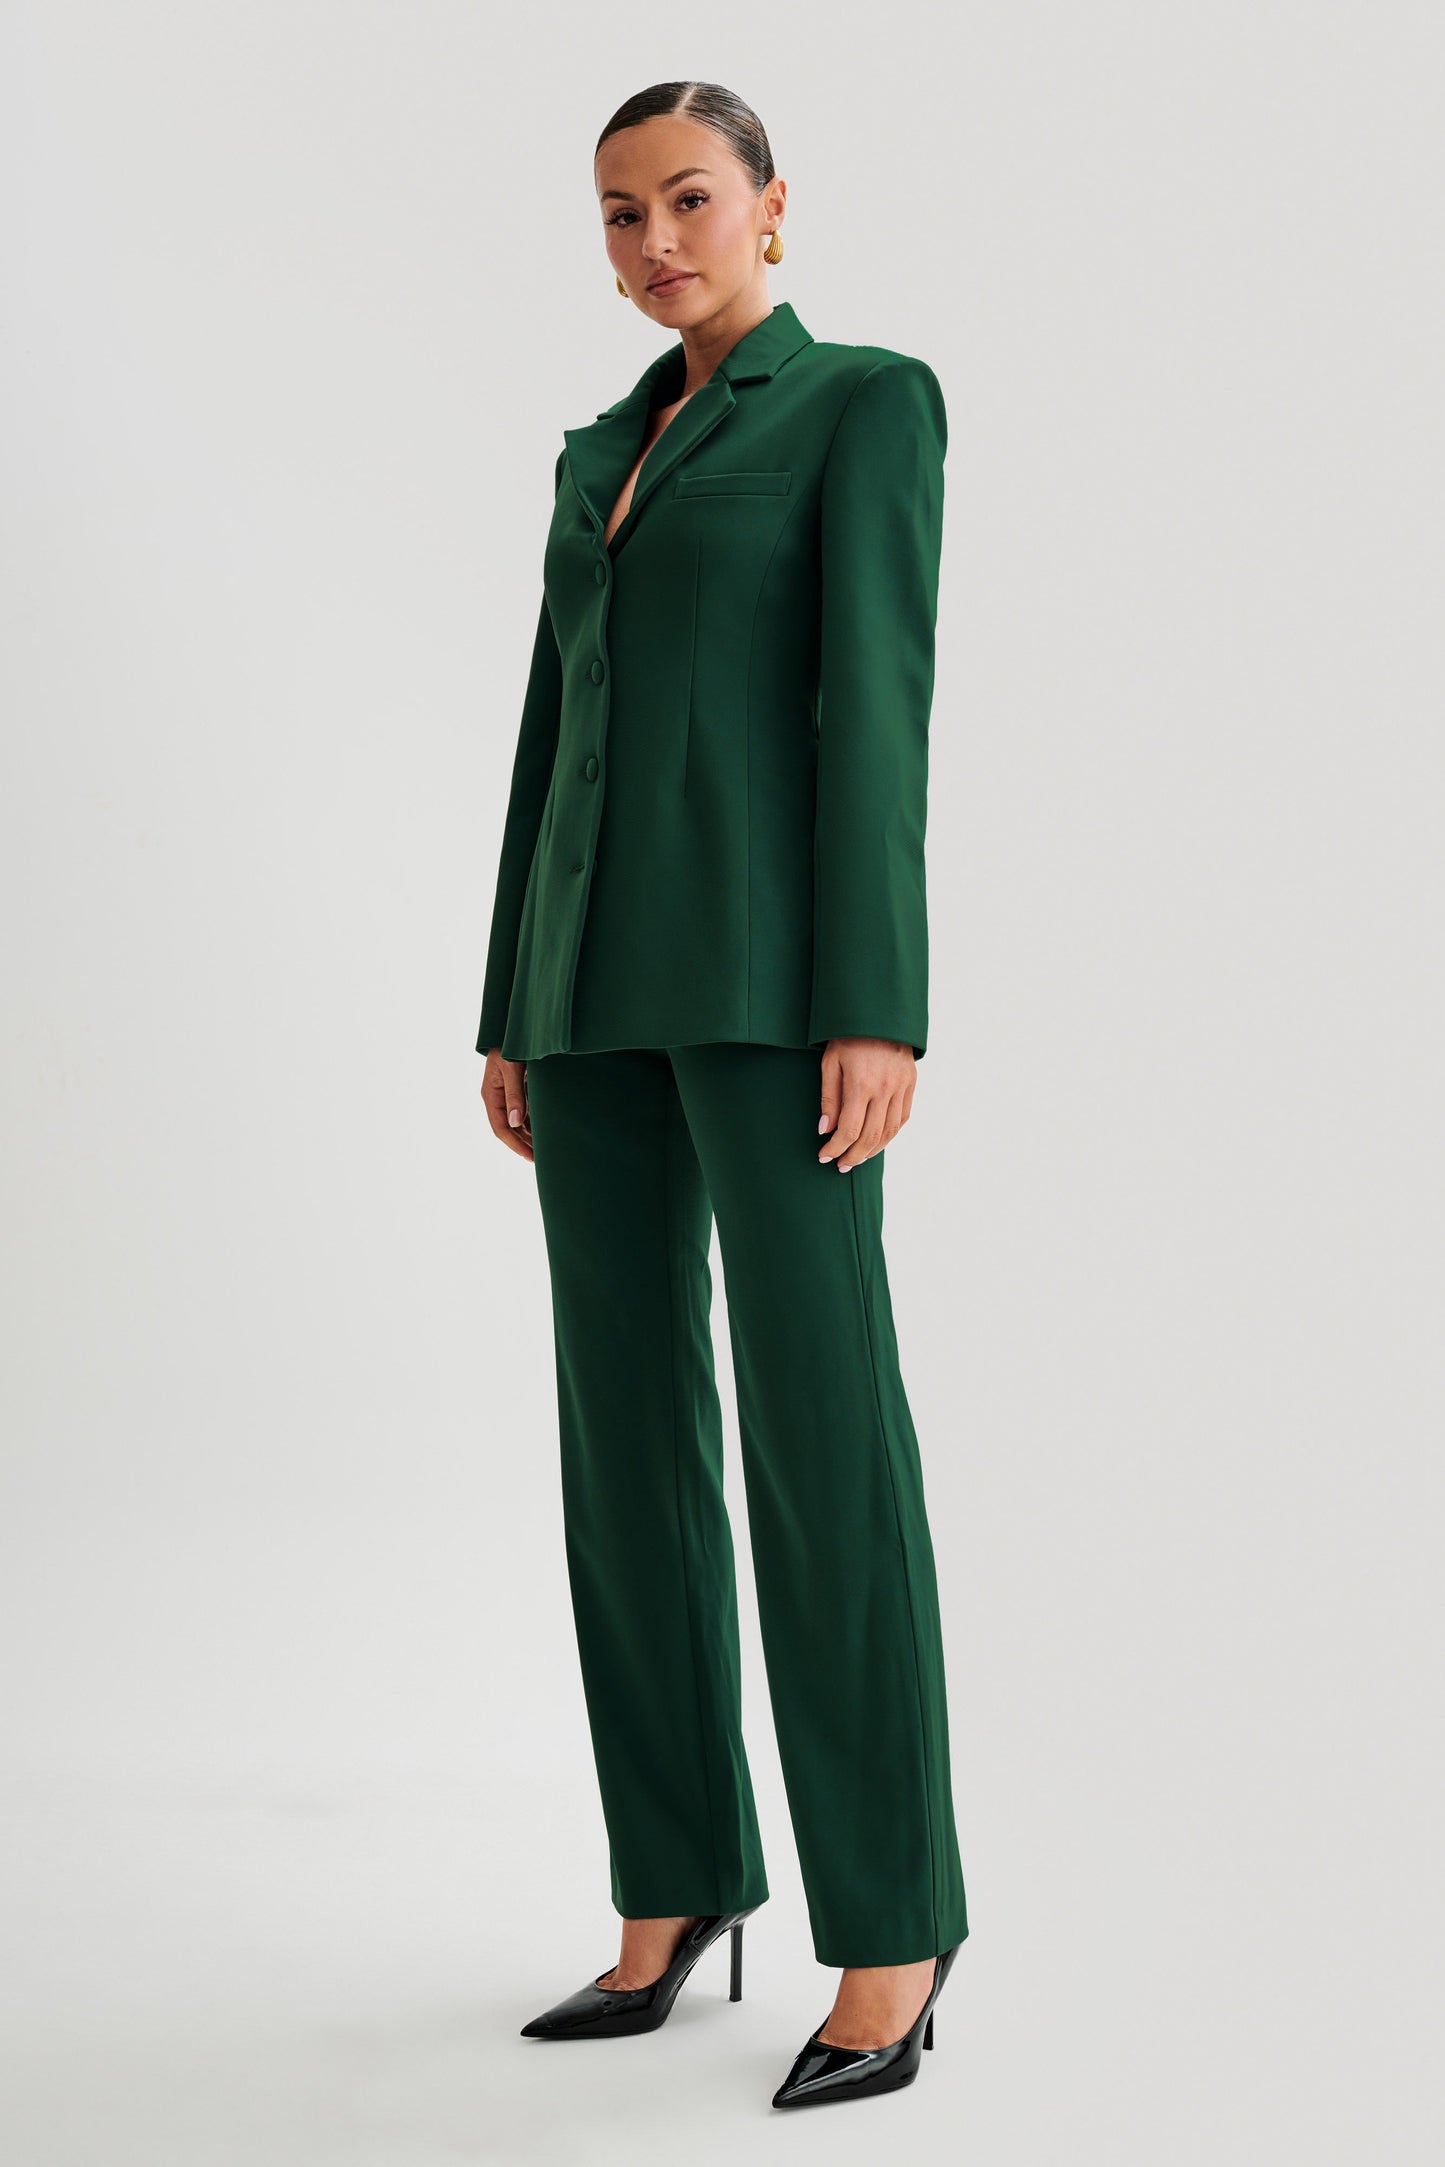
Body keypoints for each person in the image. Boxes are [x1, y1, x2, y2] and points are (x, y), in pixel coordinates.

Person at [474, 79, 969, 2111]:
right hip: (585, 998)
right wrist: (508, 997)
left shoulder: (861, 404)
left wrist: (878, 1004)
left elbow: (878, 709)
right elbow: (551, 728)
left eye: (688, 199)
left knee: (819, 1441)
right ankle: (673, 1885)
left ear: (770, 205)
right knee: (624, 1450)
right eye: (620, 215)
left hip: (774, 999)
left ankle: (894, 1928)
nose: (655, 241)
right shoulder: (600, 448)